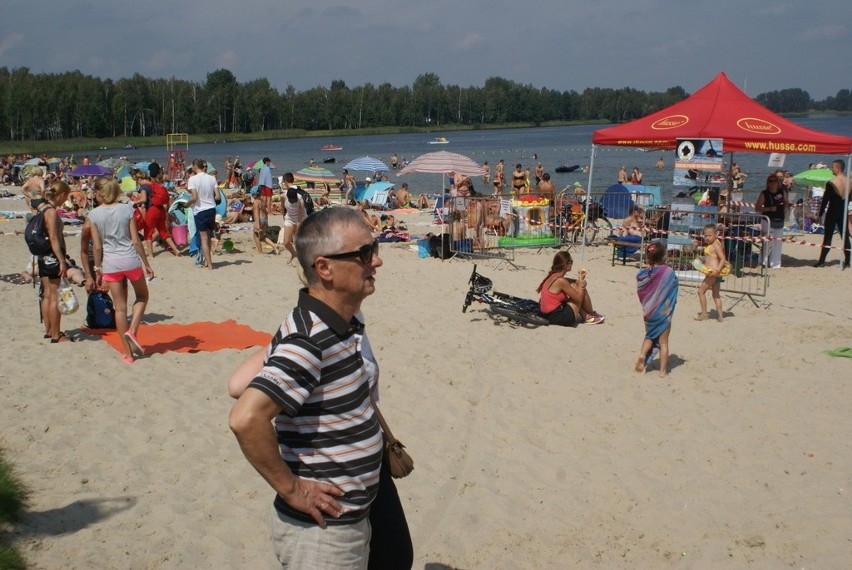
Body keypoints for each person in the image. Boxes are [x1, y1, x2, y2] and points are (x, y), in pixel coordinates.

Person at [229, 207, 389, 569]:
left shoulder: (337, 322)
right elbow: (245, 417)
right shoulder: (309, 340)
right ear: (325, 268)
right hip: (322, 536)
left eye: (374, 248)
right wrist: (292, 489)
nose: (376, 261)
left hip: (348, 522)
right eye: (364, 253)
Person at [88, 178, 154, 363]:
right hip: (129, 259)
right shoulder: (127, 208)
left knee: (119, 308)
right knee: (142, 296)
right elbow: (135, 240)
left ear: (100, 193)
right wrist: (146, 263)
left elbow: (97, 247)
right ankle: (132, 331)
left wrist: (98, 270)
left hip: (111, 263)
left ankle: (128, 354)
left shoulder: (93, 215)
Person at [634, 241, 678, 377]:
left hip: (649, 312)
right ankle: (663, 372)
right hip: (663, 313)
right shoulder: (668, 272)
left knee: (649, 336)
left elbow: (641, 289)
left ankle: (642, 355)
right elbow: (674, 286)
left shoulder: (644, 274)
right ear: (664, 257)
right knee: (664, 342)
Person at [37, 180, 73, 342]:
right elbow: (53, 237)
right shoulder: (51, 212)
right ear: (62, 195)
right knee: (54, 296)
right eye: (66, 196)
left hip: (42, 254)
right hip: (52, 255)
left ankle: (49, 330)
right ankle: (56, 335)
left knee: (47, 295)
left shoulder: (41, 207)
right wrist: (62, 260)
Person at [536, 251, 605, 326]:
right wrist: (582, 284)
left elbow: (568, 281)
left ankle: (586, 315)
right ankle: (590, 314)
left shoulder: (553, 276)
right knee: (580, 291)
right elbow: (579, 299)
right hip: (557, 317)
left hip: (548, 314)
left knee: (575, 286)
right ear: (564, 264)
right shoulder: (561, 281)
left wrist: (577, 281)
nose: (572, 264)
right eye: (570, 262)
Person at [814, 159, 850, 269]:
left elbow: (825, 200)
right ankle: (848, 262)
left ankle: (821, 261)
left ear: (838, 168)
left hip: (832, 212)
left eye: (833, 167)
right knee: (845, 236)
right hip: (843, 211)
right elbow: (850, 199)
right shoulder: (850, 182)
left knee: (828, 237)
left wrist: (819, 215)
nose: (831, 169)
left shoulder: (831, 182)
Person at [186, 159, 218, 270]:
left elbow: (194, 197)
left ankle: (209, 264)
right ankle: (207, 260)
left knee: (204, 238)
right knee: (209, 237)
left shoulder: (192, 179)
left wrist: (186, 204)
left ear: (195, 167)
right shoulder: (212, 178)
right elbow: (217, 197)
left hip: (200, 210)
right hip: (211, 209)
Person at [695, 223, 729, 322]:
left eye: (710, 235)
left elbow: (723, 259)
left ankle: (704, 314)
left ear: (715, 234)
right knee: (716, 295)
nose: (707, 238)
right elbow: (710, 258)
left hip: (713, 273)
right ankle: (720, 316)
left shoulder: (716, 245)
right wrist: (701, 260)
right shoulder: (711, 245)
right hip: (715, 274)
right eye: (705, 235)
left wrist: (717, 270)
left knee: (700, 292)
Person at [754, 173, 788, 269]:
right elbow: (757, 208)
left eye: (775, 181)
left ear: (778, 183)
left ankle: (775, 264)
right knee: (767, 242)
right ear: (768, 183)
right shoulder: (764, 193)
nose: (773, 183)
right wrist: (769, 209)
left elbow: (785, 203)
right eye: (770, 181)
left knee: (777, 243)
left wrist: (787, 205)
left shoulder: (782, 192)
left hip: (779, 220)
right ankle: (763, 262)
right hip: (768, 220)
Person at [143, 173, 181, 257]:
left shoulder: (146, 187)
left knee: (148, 232)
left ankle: (150, 254)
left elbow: (143, 200)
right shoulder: (161, 186)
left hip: (152, 210)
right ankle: (176, 250)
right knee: (163, 232)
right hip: (161, 210)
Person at [279, 172, 304, 263]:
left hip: (298, 219)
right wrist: (283, 217)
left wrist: (299, 222)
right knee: (286, 242)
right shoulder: (283, 196)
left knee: (298, 242)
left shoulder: (300, 197)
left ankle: (301, 257)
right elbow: (282, 207)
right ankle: (293, 253)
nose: (293, 201)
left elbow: (301, 211)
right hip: (289, 219)